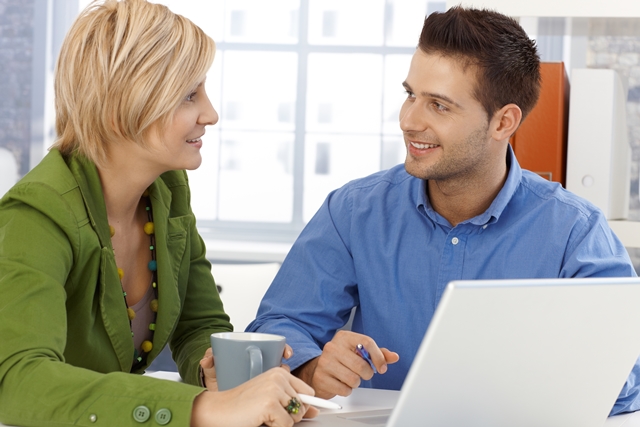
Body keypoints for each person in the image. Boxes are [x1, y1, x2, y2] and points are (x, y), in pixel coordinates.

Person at [246, 6, 640, 415]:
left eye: (439, 105)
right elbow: (278, 328)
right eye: (410, 95)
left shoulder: (575, 230)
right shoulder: (353, 211)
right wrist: (312, 366)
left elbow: (626, 372)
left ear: (503, 122)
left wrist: (546, 371)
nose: (408, 120)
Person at [0, 1, 317, 426]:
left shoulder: (167, 191)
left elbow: (199, 325)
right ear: (123, 104)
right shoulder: (35, 214)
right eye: (190, 95)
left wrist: (222, 375)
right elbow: (19, 381)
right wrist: (201, 408)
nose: (211, 114)